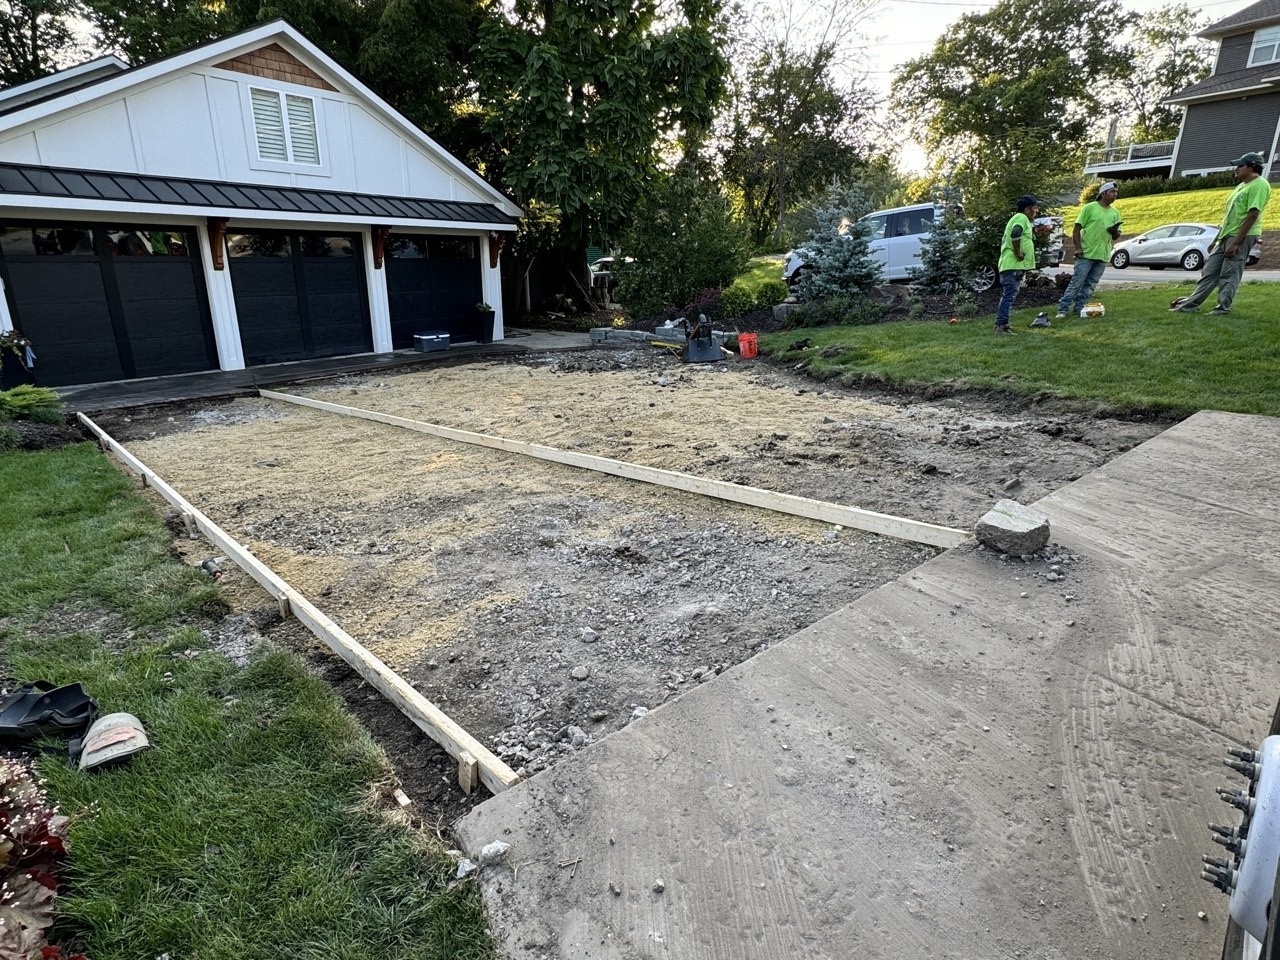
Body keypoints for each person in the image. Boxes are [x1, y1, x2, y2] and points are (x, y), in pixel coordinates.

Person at [1171, 151, 1271, 316]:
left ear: (1252, 167)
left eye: (1240, 165)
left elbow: (1253, 215)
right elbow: (1230, 216)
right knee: (1209, 271)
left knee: (1229, 274)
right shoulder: (1241, 185)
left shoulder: (1260, 185)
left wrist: (1236, 242)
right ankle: (1189, 306)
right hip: (1226, 234)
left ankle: (1222, 308)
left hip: (1242, 235)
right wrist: (1216, 239)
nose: (1236, 169)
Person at [1057, 181, 1121, 319]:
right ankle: (1062, 309)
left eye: (1116, 192)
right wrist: (1078, 248)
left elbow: (1116, 236)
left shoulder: (1115, 213)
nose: (1115, 194)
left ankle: (1080, 309)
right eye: (1112, 192)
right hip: (1086, 253)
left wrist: (1114, 231)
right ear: (1103, 194)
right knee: (1076, 282)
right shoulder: (1089, 208)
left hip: (1103, 254)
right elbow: (1076, 229)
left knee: (1091, 284)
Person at [995, 196, 1039, 334]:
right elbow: (1016, 232)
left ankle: (1002, 325)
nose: (1037, 211)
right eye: (1035, 208)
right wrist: (1018, 252)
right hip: (1012, 264)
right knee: (1009, 296)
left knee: (1010, 295)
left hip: (1013, 266)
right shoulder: (1021, 217)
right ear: (1027, 209)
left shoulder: (1020, 218)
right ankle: (1001, 326)